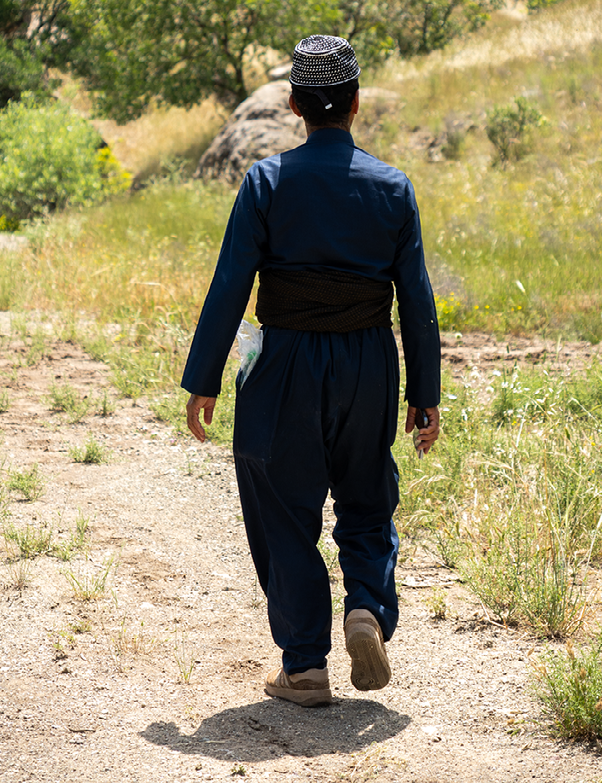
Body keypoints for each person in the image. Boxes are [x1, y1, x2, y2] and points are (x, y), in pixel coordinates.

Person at [183, 35, 440, 708]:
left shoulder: (266, 183)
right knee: (366, 495)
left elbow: (230, 286)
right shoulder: (393, 188)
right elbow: (416, 296)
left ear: (294, 104)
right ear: (355, 104)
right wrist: (425, 393)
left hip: (285, 358)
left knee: (283, 504)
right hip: (368, 361)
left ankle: (303, 666)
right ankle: (366, 609)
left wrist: (204, 377)